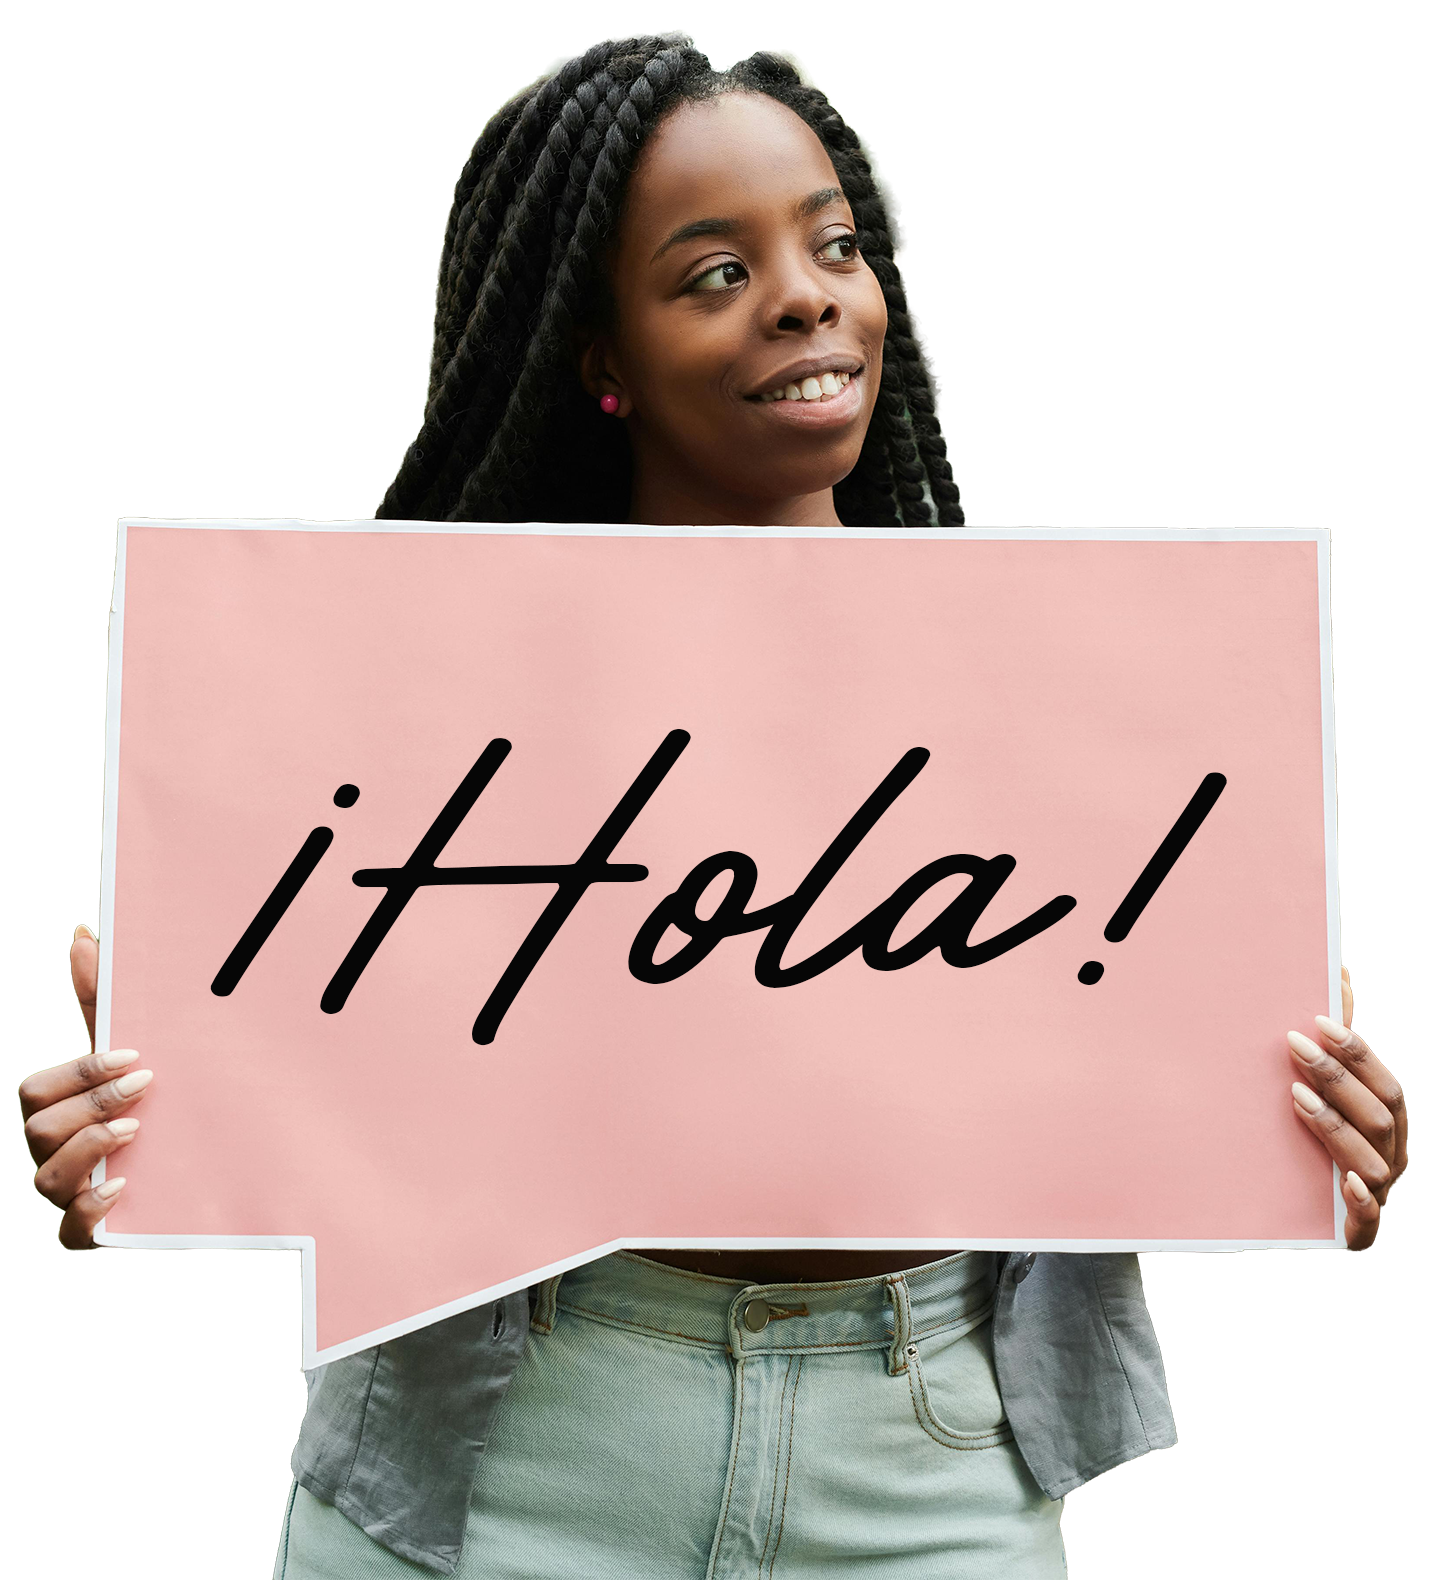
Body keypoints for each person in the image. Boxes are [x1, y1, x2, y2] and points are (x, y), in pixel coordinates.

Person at [20, 33, 1407, 1580]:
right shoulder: (407, 707)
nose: (808, 294)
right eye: (711, 273)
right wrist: (143, 1155)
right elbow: (282, 1127)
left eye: (833, 246)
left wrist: (1313, 1157)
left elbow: (1189, 1131)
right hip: (512, 1449)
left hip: (929, 1462)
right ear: (598, 354)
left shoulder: (1081, 690)